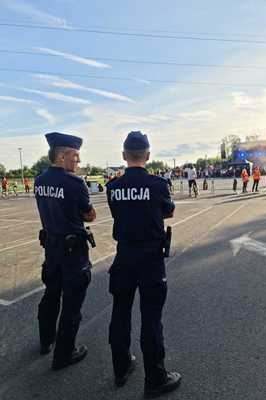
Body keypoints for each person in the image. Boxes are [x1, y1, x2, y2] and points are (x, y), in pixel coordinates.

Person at [106, 131, 181, 398]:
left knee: (120, 313)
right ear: (148, 156)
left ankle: (121, 366)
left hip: (123, 256)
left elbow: (118, 213)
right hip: (150, 258)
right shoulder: (157, 184)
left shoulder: (112, 187)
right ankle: (155, 378)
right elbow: (169, 211)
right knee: (151, 318)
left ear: (124, 156)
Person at [34, 132, 96, 370]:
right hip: (73, 250)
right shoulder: (74, 182)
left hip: (51, 246)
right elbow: (89, 214)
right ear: (61, 156)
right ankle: (64, 353)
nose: (77, 163)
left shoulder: (40, 180)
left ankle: (45, 339)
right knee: (72, 302)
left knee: (51, 293)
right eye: (75, 157)